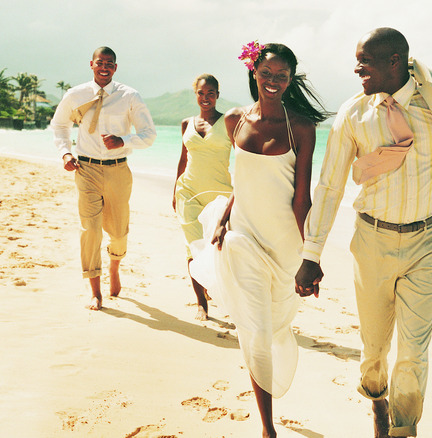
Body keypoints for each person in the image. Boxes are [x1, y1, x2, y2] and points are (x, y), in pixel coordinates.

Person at [295, 27, 432, 437]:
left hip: (426, 242)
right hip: (372, 242)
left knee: (415, 351)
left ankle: (403, 429)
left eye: (364, 62)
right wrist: (311, 255)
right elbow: (331, 186)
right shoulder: (353, 113)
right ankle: (375, 395)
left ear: (393, 62)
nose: (356, 69)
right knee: (374, 349)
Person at [195, 41, 330, 438]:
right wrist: (224, 217)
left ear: (290, 79)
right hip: (242, 237)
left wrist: (311, 255)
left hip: (284, 243)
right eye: (266, 74)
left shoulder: (301, 127)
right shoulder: (235, 119)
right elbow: (242, 177)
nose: (273, 81)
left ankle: (269, 411)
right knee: (253, 330)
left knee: (273, 326)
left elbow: (301, 197)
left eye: (281, 76)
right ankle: (267, 428)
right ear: (253, 72)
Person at [51, 46, 156, 310]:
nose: (104, 67)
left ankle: (115, 266)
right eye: (100, 62)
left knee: (119, 232)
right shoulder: (76, 94)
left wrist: (124, 140)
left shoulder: (129, 96)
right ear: (91, 64)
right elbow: (60, 125)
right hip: (85, 169)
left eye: (109, 63)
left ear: (115, 67)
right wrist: (65, 153)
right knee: (90, 229)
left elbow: (148, 134)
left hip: (118, 170)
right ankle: (95, 291)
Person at [172, 73, 233, 321]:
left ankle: (219, 292)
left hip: (220, 196)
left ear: (218, 95)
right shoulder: (187, 123)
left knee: (219, 249)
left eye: (210, 93)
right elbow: (183, 158)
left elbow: (245, 158)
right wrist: (174, 191)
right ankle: (201, 304)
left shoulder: (230, 122)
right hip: (188, 192)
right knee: (193, 247)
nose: (205, 98)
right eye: (201, 93)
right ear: (195, 94)